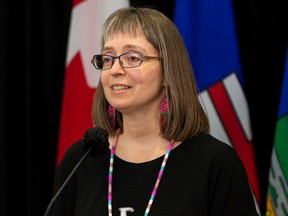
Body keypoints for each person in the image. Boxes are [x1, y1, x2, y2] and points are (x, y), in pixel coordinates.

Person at [48, 6, 259, 216]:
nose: (115, 70)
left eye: (132, 58)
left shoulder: (215, 163)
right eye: (107, 58)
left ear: (168, 72)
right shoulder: (80, 160)